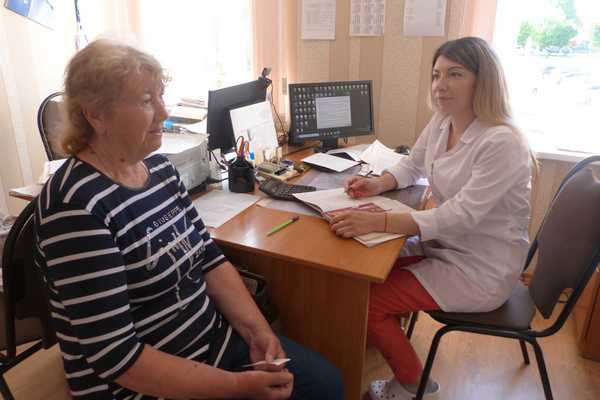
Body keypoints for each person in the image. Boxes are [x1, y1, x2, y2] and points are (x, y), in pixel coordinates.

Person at [34, 39, 343, 400]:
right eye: (146, 101)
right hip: (139, 387)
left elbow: (209, 260)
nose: (163, 112)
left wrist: (258, 332)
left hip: (211, 345)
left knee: (326, 384)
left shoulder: (160, 170)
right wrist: (237, 388)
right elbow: (117, 358)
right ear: (96, 114)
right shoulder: (74, 208)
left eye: (160, 96)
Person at [330, 37, 534, 400]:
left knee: (369, 300)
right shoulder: (444, 121)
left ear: (483, 80)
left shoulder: (503, 142)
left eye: (455, 74)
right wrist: (378, 183)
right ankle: (381, 335)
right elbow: (412, 164)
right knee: (362, 272)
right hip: (448, 247)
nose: (441, 85)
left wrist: (378, 222)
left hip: (480, 269)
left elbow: (460, 216)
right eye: (437, 75)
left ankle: (414, 387)